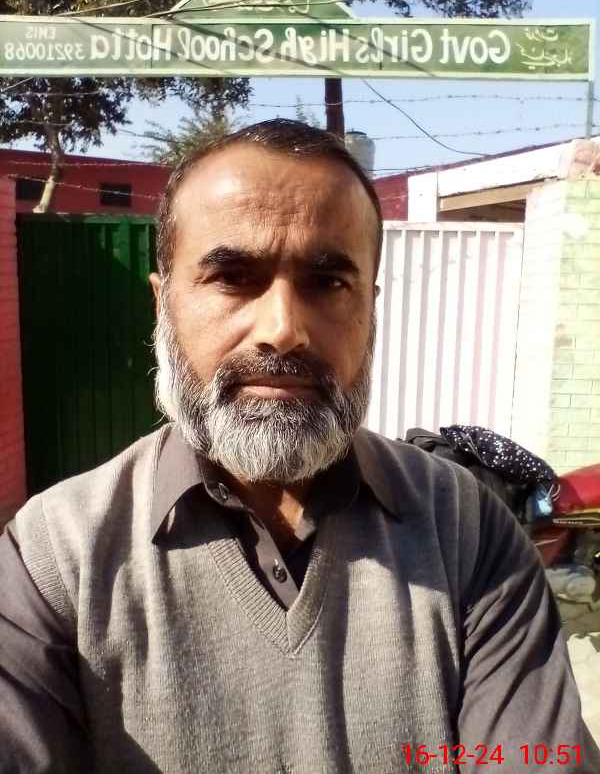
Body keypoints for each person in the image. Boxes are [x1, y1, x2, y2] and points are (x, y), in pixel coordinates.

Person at [0, 119, 598, 774]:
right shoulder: (54, 559)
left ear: (370, 312)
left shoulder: (469, 533)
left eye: (328, 282)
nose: (283, 330)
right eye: (232, 277)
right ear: (163, 306)